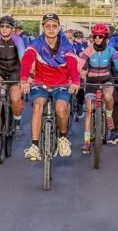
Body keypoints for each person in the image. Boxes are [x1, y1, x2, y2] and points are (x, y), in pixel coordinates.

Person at [19, 13, 80, 161]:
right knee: (37, 106)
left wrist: (76, 81)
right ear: (43, 28)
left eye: (54, 26)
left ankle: (63, 139)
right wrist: (24, 79)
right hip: (41, 82)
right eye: (47, 26)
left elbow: (72, 63)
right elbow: (27, 60)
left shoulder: (67, 44)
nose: (51, 29)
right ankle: (34, 146)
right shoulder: (36, 43)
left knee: (60, 109)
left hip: (62, 83)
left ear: (59, 27)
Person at [77, 23, 118, 152]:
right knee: (89, 110)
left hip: (106, 79)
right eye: (94, 36)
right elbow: (79, 65)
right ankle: (86, 141)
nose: (97, 38)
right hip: (91, 82)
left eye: (100, 36)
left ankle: (109, 116)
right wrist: (74, 79)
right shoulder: (89, 50)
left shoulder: (110, 50)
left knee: (108, 96)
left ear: (105, 37)